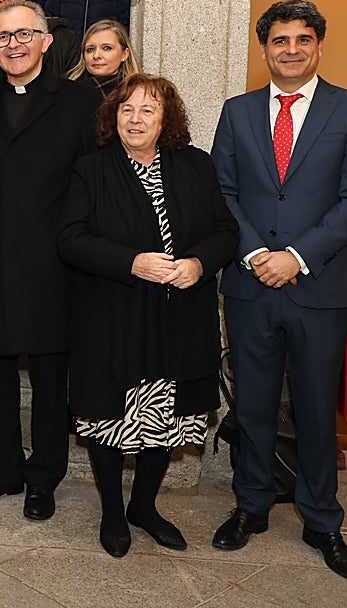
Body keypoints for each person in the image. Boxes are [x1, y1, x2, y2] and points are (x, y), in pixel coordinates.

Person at [210, 0, 347, 582]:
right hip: (252, 284)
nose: (292, 49)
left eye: (303, 39)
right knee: (252, 406)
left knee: (313, 411)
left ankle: (322, 520)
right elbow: (222, 192)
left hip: (320, 286)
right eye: (280, 40)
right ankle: (251, 506)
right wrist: (258, 254)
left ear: (319, 46)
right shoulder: (237, 112)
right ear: (265, 49)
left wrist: (296, 257)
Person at [58, 73, 238, 557]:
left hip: (178, 313)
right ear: (112, 117)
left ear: (166, 120)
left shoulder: (197, 167)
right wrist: (131, 262)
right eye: (126, 110)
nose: (135, 119)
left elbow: (225, 229)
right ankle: (114, 514)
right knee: (110, 417)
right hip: (114, 313)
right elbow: (71, 239)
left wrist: (199, 263)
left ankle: (144, 507)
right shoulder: (91, 171)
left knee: (167, 415)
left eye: (147, 111)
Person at [0, 0, 101, 522]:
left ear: (44, 41)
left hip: (53, 263)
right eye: (2, 39)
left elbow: (91, 184)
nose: (12, 46)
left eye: (22, 35)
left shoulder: (80, 103)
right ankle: (3, 469)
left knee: (48, 378)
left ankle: (44, 478)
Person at [67, 19, 142, 99]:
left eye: (107, 48)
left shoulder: (138, 93)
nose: (96, 55)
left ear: (125, 54)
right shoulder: (67, 89)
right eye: (90, 49)